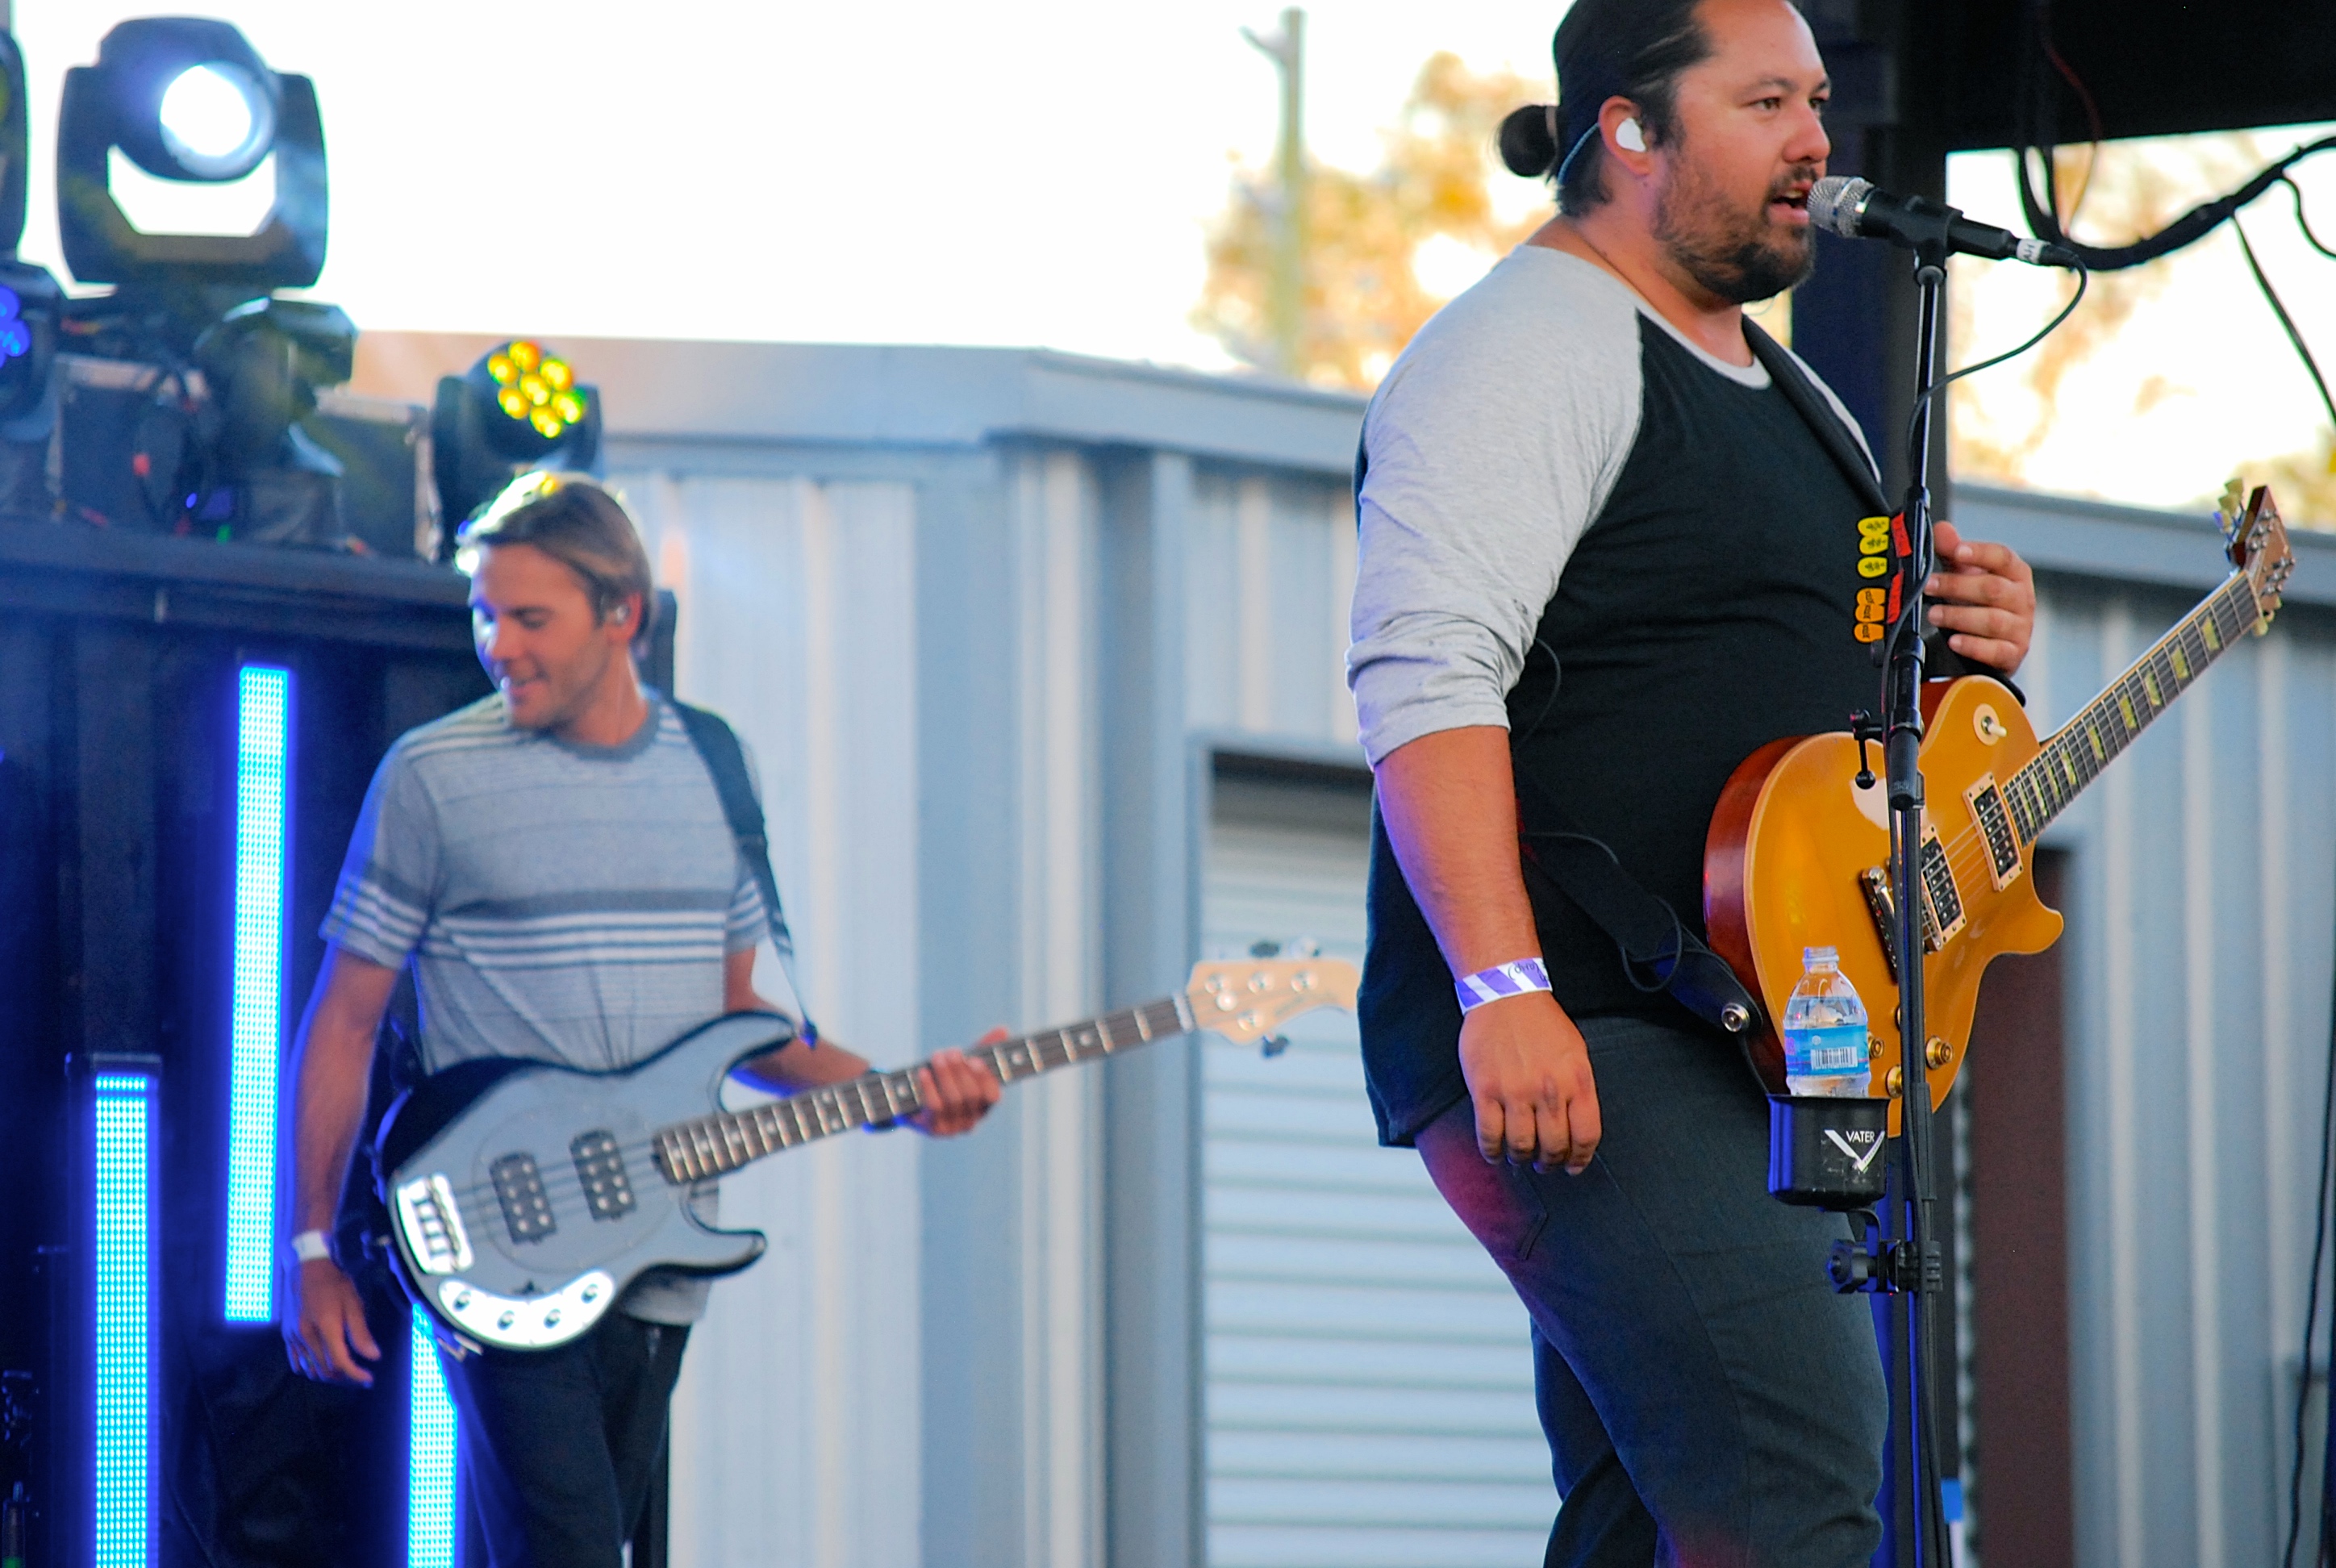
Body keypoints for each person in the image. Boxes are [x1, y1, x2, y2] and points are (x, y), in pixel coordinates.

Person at [1347, 1, 2037, 1562]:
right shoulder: (1528, 345)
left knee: (1649, 1516)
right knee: (1793, 1482)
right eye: (1766, 102)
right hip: (1598, 1026)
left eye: (1817, 100)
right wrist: (1501, 987)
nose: (1817, 140)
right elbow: (1424, 676)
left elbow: (1826, 711)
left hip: (1759, 1037)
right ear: (1631, 131)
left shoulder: (1795, 399)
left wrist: (1972, 646)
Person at [280, 472, 1001, 1567]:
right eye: (484, 613)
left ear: (622, 614)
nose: (497, 645)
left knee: (579, 1547)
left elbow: (737, 1016)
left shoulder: (716, 766)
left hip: (657, 1252)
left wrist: (899, 1096)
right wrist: (309, 1247)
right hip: (493, 1250)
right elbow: (342, 1022)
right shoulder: (432, 777)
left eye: (529, 618)